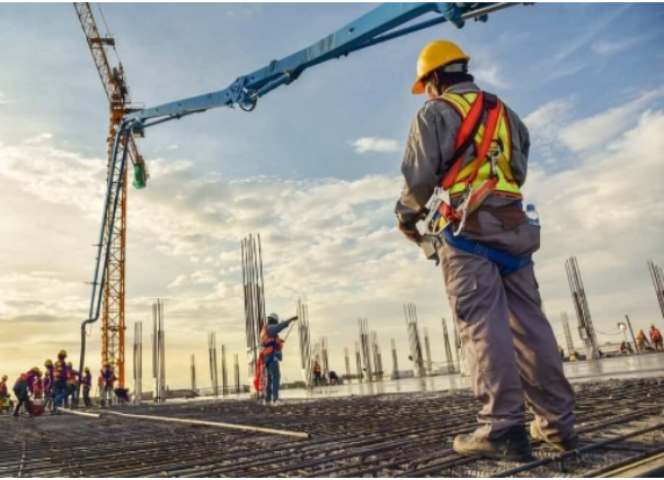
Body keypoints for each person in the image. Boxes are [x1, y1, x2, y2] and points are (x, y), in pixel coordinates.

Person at [395, 40, 577, 461]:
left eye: (425, 84)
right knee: (530, 325)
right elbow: (516, 170)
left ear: (436, 77)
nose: (425, 92)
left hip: (466, 230)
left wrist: (406, 217)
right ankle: (559, 425)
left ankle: (503, 428)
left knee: (482, 325)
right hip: (513, 225)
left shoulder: (435, 113)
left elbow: (419, 179)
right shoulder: (507, 115)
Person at [259, 313, 297, 405]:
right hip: (272, 357)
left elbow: (269, 342)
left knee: (270, 379)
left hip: (266, 358)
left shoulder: (264, 331)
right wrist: (290, 319)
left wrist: (279, 341)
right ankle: (275, 400)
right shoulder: (270, 328)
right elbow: (279, 327)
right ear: (274, 321)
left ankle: (267, 399)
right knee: (276, 377)